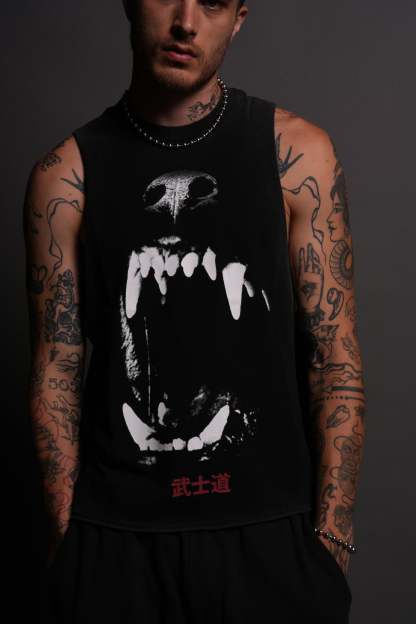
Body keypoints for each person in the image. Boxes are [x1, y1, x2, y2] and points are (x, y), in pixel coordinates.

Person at [23, 1, 366, 622]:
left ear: (239, 17)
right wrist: (67, 540)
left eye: (211, 2)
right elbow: (57, 368)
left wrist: (331, 540)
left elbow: (333, 358)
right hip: (114, 546)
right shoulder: (64, 176)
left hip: (273, 544)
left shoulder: (299, 155)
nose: (186, 21)